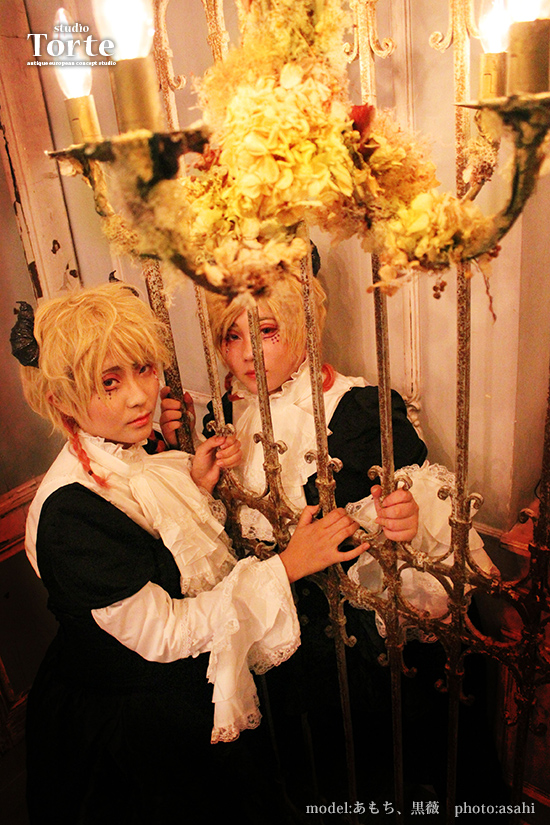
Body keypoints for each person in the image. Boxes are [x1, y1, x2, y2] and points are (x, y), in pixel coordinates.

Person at [15, 283, 370, 825]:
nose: (140, 397)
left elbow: (156, 541)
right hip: (130, 724)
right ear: (60, 399)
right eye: (109, 383)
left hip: (173, 696)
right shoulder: (70, 515)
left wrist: (197, 487)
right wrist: (289, 565)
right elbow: (166, 632)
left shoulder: (123, 455)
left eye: (143, 369)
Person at [160, 274, 503, 813]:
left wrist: (405, 518)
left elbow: (421, 508)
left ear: (304, 328)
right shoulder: (226, 413)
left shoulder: (360, 409)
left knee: (379, 766)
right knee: (310, 773)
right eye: (231, 337)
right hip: (277, 624)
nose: (246, 353)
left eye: (265, 331)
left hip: (352, 633)